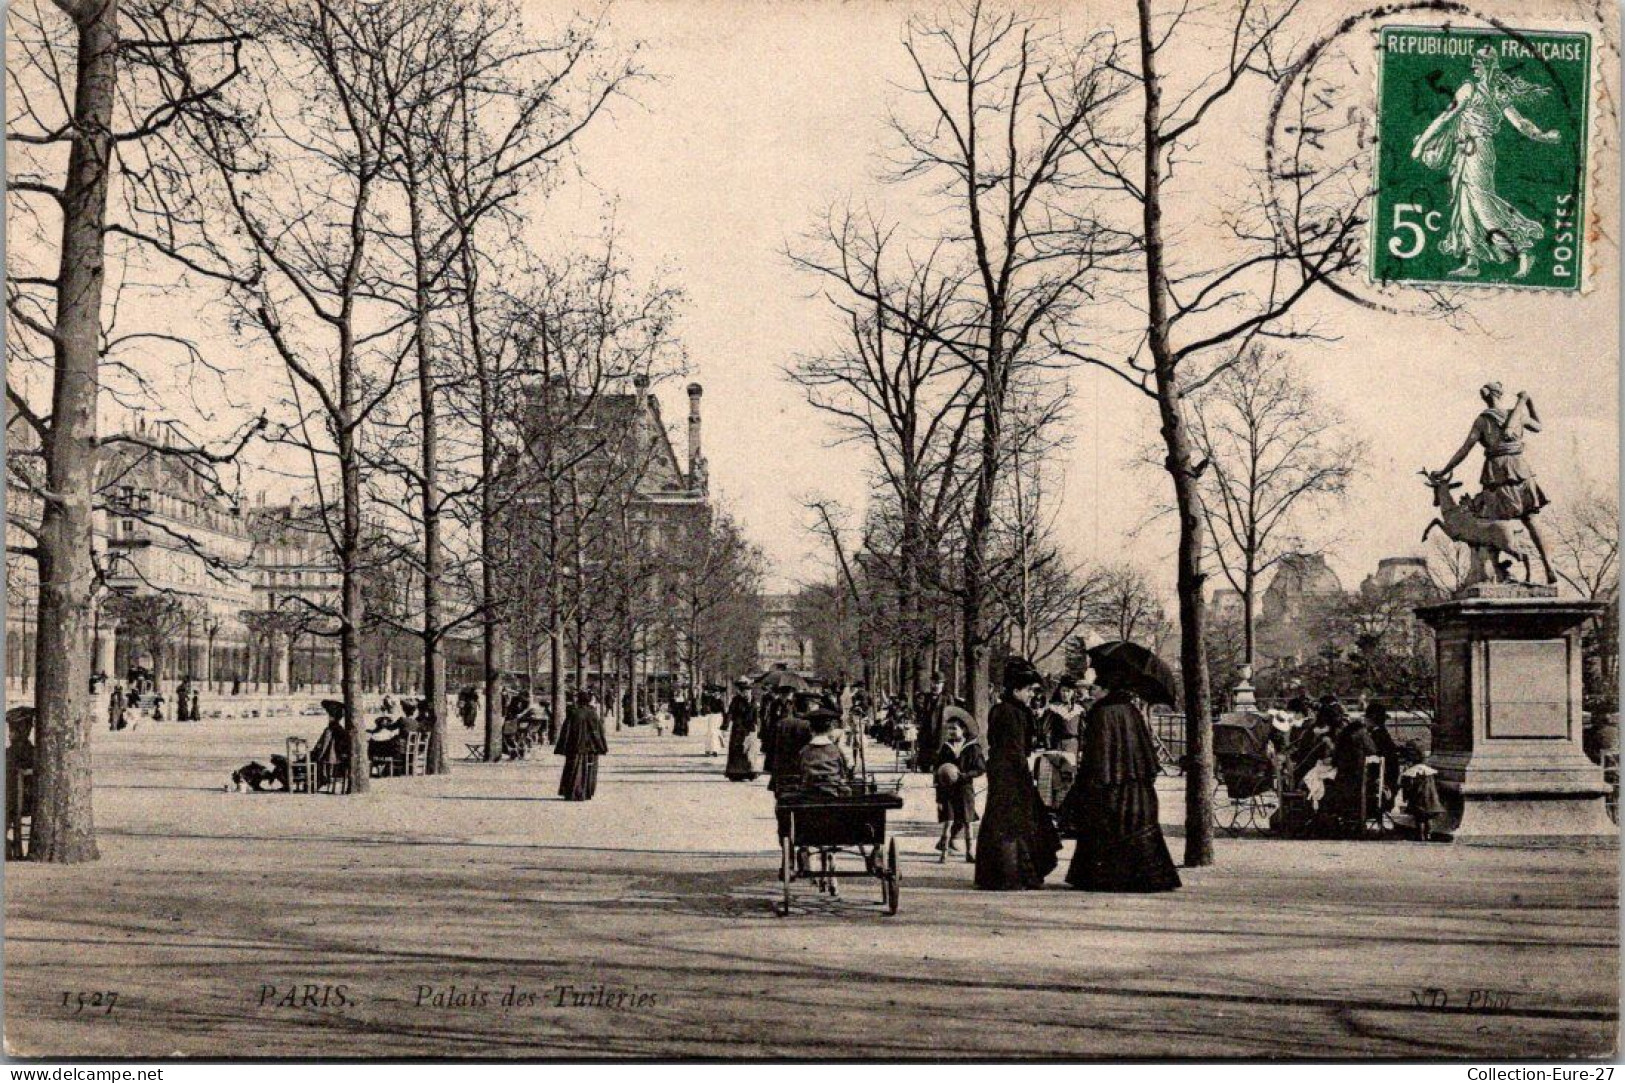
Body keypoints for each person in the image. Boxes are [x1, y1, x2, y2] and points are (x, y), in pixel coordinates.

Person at [1410, 45, 1560, 280]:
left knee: (1482, 204)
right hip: (1464, 151)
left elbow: (1520, 123)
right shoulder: (1471, 89)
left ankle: (1523, 251)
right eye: (1473, 62)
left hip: (1479, 152)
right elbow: (1446, 117)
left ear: (1489, 65)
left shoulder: (1494, 92)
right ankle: (1472, 260)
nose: (1473, 66)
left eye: (1478, 63)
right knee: (1464, 205)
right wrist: (1421, 144)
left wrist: (1541, 135)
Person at [1063, 650, 1181, 894]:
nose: (1092, 690)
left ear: (1108, 689)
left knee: (1106, 828)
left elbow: (1097, 758)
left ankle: (1107, 878)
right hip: (1136, 787)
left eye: (1097, 686)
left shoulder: (1103, 714)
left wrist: (1085, 783)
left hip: (1110, 786)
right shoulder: (1131, 711)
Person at [1436, 382, 1555, 582]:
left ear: (1485, 396)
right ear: (1500, 394)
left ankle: (1491, 573)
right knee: (1531, 520)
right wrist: (1528, 401)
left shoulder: (1482, 421)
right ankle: (1548, 565)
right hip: (1520, 469)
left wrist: (1445, 470)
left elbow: (1465, 449)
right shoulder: (1517, 416)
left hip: (1496, 473)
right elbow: (1539, 426)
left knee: (1489, 522)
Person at [974, 657, 1062, 891]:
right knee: (1012, 821)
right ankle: (1011, 875)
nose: (1031, 694)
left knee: (1008, 819)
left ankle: (1005, 874)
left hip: (1004, 771)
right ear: (1015, 690)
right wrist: (1024, 773)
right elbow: (1013, 749)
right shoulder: (1010, 712)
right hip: (1010, 773)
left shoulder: (1009, 710)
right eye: (1027, 690)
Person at [933, 711, 985, 863]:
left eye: (954, 728)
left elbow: (980, 768)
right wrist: (938, 793)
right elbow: (937, 770)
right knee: (948, 821)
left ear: (963, 730)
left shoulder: (973, 748)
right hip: (947, 790)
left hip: (964, 789)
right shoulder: (945, 748)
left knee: (967, 822)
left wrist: (966, 775)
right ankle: (943, 853)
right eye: (949, 729)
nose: (951, 732)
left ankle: (969, 852)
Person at [555, 690, 609, 801]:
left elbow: (566, 731)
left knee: (573, 769)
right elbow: (597, 732)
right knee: (588, 770)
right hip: (590, 747)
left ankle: (571, 792)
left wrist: (563, 746)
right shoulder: (592, 714)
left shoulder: (573, 713)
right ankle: (586, 792)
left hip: (574, 746)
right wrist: (601, 746)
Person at [796, 713, 851, 796]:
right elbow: (843, 773)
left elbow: (800, 771)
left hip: (809, 794)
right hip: (832, 793)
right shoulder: (836, 750)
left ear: (811, 730)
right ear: (830, 729)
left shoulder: (804, 751)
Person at [724, 681, 759, 781]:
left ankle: (750, 772)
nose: (747, 693)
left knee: (750, 751)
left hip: (750, 728)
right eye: (744, 691)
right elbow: (730, 713)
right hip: (738, 729)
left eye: (748, 691)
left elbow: (756, 714)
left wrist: (757, 726)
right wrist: (725, 725)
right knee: (737, 751)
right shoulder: (736, 700)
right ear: (741, 692)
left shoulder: (754, 701)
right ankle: (736, 773)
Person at [1041, 677, 1084, 756]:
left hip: (1074, 745)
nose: (1065, 694)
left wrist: (1081, 749)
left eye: (1068, 691)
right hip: (1057, 744)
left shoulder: (1079, 710)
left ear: (1073, 692)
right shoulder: (1053, 708)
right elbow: (1046, 730)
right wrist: (1049, 748)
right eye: (1063, 691)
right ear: (1059, 691)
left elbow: (1082, 731)